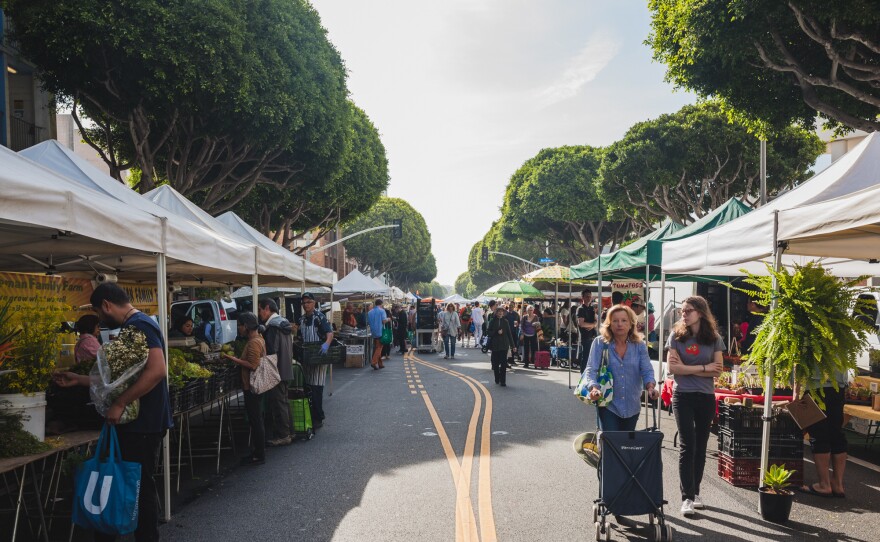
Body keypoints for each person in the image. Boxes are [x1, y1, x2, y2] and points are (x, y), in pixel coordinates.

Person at [53, 283, 173, 542]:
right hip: (142, 421)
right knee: (137, 484)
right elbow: (123, 379)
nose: (99, 318)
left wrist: (119, 404)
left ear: (106, 305)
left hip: (143, 422)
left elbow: (157, 370)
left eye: (98, 312)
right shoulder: (140, 325)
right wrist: (80, 379)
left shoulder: (139, 326)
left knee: (139, 486)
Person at [666, 296, 725, 517]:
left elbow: (718, 370)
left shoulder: (714, 338)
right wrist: (704, 367)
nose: (684, 314)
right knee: (686, 445)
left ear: (700, 312)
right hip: (683, 395)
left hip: (706, 397)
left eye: (688, 310)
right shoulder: (676, 336)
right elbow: (673, 369)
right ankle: (687, 497)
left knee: (701, 446)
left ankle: (696, 492)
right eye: (682, 311)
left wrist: (688, 367)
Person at [585, 304, 658, 431]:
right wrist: (594, 387)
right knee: (611, 443)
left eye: (624, 320)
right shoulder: (600, 343)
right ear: (609, 324)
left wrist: (650, 387)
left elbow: (647, 370)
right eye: (615, 321)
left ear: (631, 323)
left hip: (632, 404)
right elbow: (591, 369)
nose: (619, 324)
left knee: (626, 445)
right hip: (607, 403)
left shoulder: (639, 345)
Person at [795, 367, 849, 498]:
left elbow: (799, 361)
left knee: (818, 433)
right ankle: (838, 484)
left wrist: (797, 392)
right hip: (838, 384)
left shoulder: (809, 345)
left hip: (814, 385)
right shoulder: (840, 344)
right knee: (836, 433)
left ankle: (824, 485)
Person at [222, 312, 267, 465]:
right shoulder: (258, 338)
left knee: (255, 421)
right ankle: (257, 452)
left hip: (252, 386)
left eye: (240, 325)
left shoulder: (254, 342)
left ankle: (259, 455)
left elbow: (253, 365)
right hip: (254, 386)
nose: (239, 328)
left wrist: (233, 359)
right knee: (256, 420)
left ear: (246, 326)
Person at [258, 299, 293, 447]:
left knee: (278, 403)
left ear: (267, 308)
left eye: (260, 310)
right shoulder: (284, 322)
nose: (259, 314)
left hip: (276, 370)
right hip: (286, 368)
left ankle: (283, 435)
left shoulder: (272, 327)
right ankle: (290, 432)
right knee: (283, 402)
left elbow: (272, 350)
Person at [297, 293, 334, 427]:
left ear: (314, 303)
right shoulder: (301, 319)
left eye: (308, 302)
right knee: (308, 387)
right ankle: (311, 415)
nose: (306, 305)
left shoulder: (320, 317)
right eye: (304, 303)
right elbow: (299, 336)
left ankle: (319, 417)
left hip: (318, 356)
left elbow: (329, 334)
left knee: (317, 387)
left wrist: (326, 344)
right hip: (307, 357)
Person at [487, 306, 514, 386]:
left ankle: (503, 381)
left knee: (503, 364)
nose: (500, 313)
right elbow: (488, 332)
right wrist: (496, 332)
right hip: (495, 345)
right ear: (496, 312)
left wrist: (513, 345)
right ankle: (497, 377)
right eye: (499, 311)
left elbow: (509, 334)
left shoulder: (505, 321)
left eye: (501, 311)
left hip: (504, 345)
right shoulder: (492, 321)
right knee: (495, 364)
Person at [577, 289, 597, 371]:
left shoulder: (592, 308)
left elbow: (596, 321)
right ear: (583, 297)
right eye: (587, 296)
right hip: (585, 336)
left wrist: (592, 325)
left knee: (592, 357)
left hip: (592, 335)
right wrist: (592, 325)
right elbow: (581, 324)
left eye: (590, 296)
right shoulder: (581, 309)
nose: (589, 298)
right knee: (585, 357)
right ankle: (583, 375)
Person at [367, 299, 390, 369]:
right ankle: (374, 362)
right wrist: (388, 319)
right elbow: (383, 321)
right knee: (379, 348)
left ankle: (380, 364)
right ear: (381, 304)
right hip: (380, 331)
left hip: (373, 331)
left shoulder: (369, 312)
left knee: (377, 346)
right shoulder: (382, 311)